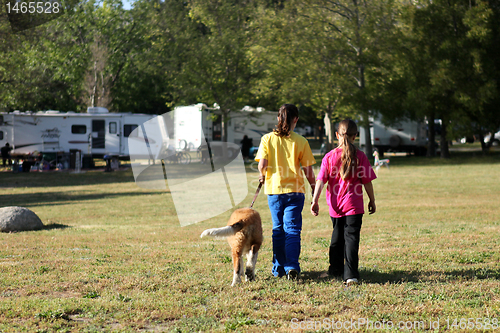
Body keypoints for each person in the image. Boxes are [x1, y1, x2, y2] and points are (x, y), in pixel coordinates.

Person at [310, 119, 376, 286]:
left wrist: (314, 200)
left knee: (337, 238)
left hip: (335, 205)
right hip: (354, 205)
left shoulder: (329, 156)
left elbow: (320, 181)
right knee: (352, 238)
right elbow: (367, 181)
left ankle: (336, 270)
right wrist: (372, 200)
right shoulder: (360, 156)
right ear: (355, 136)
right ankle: (351, 274)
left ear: (337, 135)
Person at [255, 104, 316, 280]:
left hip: (274, 191)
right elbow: (308, 171)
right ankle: (292, 267)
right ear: (295, 120)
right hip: (295, 191)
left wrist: (262, 175)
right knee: (293, 229)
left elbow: (262, 165)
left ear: (278, 119)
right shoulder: (301, 141)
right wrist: (313, 188)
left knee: (278, 229)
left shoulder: (267, 139)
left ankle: (278, 269)